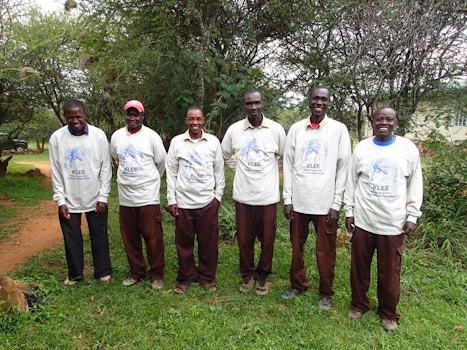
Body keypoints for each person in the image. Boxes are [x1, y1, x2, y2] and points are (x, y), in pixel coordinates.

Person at [344, 106, 423, 331]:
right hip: (364, 219)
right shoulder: (362, 148)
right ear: (373, 121)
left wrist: (412, 215)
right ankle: (359, 305)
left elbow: (415, 184)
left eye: (389, 119)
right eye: (379, 119)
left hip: (393, 223)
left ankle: (388, 313)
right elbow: (352, 181)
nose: (384, 123)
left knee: (389, 272)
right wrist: (349, 211)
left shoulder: (407, 149)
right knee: (359, 268)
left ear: (396, 123)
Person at [281, 86, 351, 311]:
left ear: (329, 102)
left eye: (323, 99)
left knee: (326, 250)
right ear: (308, 100)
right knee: (296, 247)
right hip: (299, 202)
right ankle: (298, 285)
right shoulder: (296, 129)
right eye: (315, 98)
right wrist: (287, 198)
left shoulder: (339, 130)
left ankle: (325, 293)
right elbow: (288, 165)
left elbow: (343, 168)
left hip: (325, 204)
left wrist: (336, 203)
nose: (319, 102)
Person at [221, 89, 286, 296]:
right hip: (243, 196)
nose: (254, 107)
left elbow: (285, 156)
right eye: (249, 103)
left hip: (267, 197)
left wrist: (273, 171)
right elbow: (224, 154)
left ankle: (263, 275)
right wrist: (239, 168)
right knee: (244, 239)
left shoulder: (275, 129)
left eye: (257, 103)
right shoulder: (234, 130)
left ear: (263, 104)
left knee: (267, 240)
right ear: (244, 106)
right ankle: (247, 275)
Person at [49, 99, 112, 285]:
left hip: (95, 197)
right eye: (70, 117)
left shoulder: (98, 136)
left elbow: (105, 168)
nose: (75, 120)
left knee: (99, 234)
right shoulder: (57, 138)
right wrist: (60, 200)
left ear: (85, 115)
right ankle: (75, 274)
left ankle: (102, 272)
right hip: (69, 199)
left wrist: (103, 196)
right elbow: (56, 170)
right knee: (71, 237)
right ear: (65, 117)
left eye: (78, 116)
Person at [166, 106, 225, 294]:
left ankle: (207, 277)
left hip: (207, 202)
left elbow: (219, 172)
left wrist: (217, 198)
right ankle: (185, 277)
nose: (195, 123)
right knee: (184, 243)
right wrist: (171, 199)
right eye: (191, 119)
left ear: (203, 121)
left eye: (198, 119)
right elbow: (171, 173)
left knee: (208, 243)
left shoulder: (213, 142)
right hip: (183, 203)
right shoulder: (177, 142)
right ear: (186, 121)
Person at [110, 100, 166, 290]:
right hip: (126, 197)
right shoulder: (117, 136)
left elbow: (161, 163)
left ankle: (157, 274)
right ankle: (136, 272)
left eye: (136, 114)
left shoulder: (151, 137)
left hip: (148, 196)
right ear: (125, 115)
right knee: (130, 237)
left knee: (153, 238)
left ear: (142, 116)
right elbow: (116, 159)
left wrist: (149, 182)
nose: (132, 118)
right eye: (129, 114)